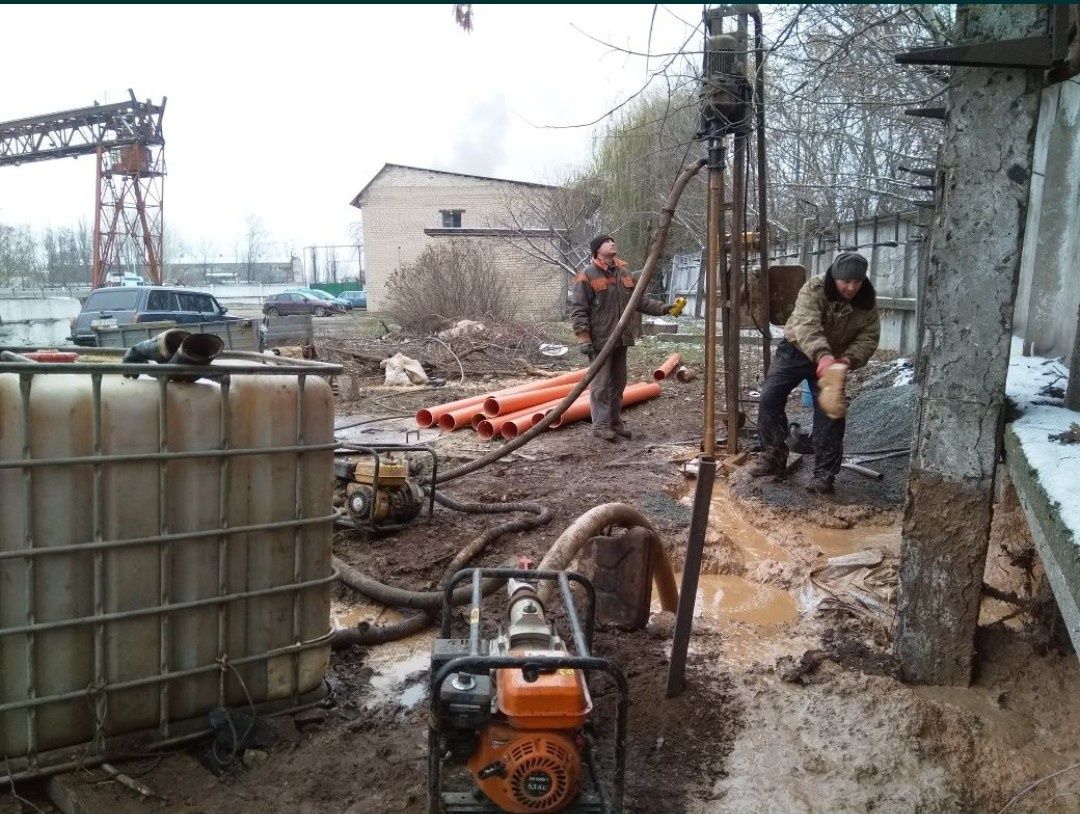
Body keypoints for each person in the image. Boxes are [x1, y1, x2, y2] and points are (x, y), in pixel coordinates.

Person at [750, 251, 880, 493]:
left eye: (857, 282)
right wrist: (823, 355)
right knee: (769, 396)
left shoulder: (867, 300)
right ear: (835, 277)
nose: (851, 287)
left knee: (830, 413)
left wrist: (847, 360)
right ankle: (773, 457)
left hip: (836, 359)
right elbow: (806, 324)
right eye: (846, 282)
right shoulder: (814, 288)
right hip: (797, 348)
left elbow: (869, 337)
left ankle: (824, 475)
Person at [569, 235, 681, 442]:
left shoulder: (625, 273)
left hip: (622, 338)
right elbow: (578, 309)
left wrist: (664, 309)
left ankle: (614, 421)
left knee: (618, 382)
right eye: (607, 242)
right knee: (601, 384)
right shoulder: (587, 275)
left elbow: (639, 301)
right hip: (600, 340)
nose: (612, 243)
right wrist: (583, 337)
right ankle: (601, 425)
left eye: (613, 241)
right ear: (597, 250)